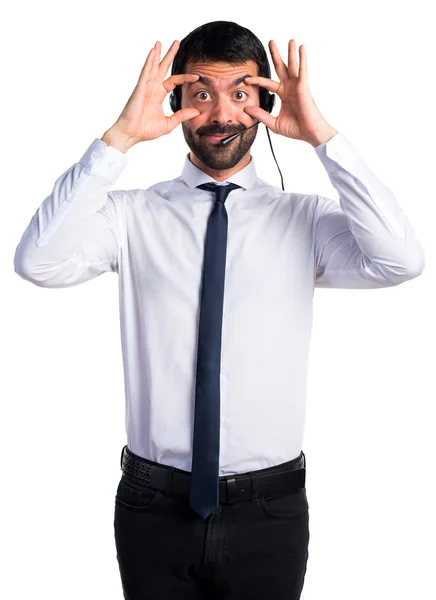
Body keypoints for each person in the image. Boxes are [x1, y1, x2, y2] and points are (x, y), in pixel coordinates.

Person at [13, 19, 425, 600]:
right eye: (202, 93)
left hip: (271, 510)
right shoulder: (129, 216)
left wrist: (323, 138)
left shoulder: (306, 221)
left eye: (241, 93)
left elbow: (400, 260)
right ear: (178, 100)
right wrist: (120, 139)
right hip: (153, 507)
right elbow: (38, 263)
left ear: (265, 101)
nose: (222, 115)